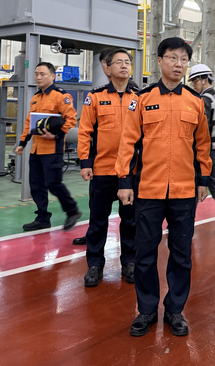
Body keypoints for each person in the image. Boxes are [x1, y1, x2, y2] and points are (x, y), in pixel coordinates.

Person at [115, 37, 212, 337]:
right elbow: (128, 142)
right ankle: (146, 310)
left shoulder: (195, 102)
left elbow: (202, 145)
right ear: (159, 61)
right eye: (172, 58)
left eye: (184, 59)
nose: (178, 64)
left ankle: (175, 310)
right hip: (149, 190)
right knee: (145, 254)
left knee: (181, 254)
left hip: (184, 191)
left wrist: (203, 181)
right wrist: (124, 182)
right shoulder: (142, 99)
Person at [76, 49, 138, 287]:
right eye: (118, 62)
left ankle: (129, 262)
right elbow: (85, 132)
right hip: (102, 170)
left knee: (130, 221)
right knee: (98, 221)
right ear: (108, 68)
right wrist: (85, 163)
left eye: (127, 62)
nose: (124, 65)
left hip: (130, 173)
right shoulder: (95, 97)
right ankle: (95, 264)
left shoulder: (139, 98)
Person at [15, 62, 82, 232]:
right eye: (36, 74)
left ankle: (72, 210)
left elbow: (71, 119)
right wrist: (22, 143)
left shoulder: (61, 96)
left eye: (42, 74)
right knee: (36, 185)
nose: (38, 77)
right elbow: (29, 122)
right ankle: (42, 218)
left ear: (52, 76)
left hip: (52, 149)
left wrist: (57, 135)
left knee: (54, 183)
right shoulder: (36, 97)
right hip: (36, 149)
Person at [188, 63, 215, 236]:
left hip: (206, 150)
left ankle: (186, 223)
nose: (193, 85)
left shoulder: (203, 100)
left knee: (194, 184)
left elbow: (198, 127)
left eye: (195, 81)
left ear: (203, 80)